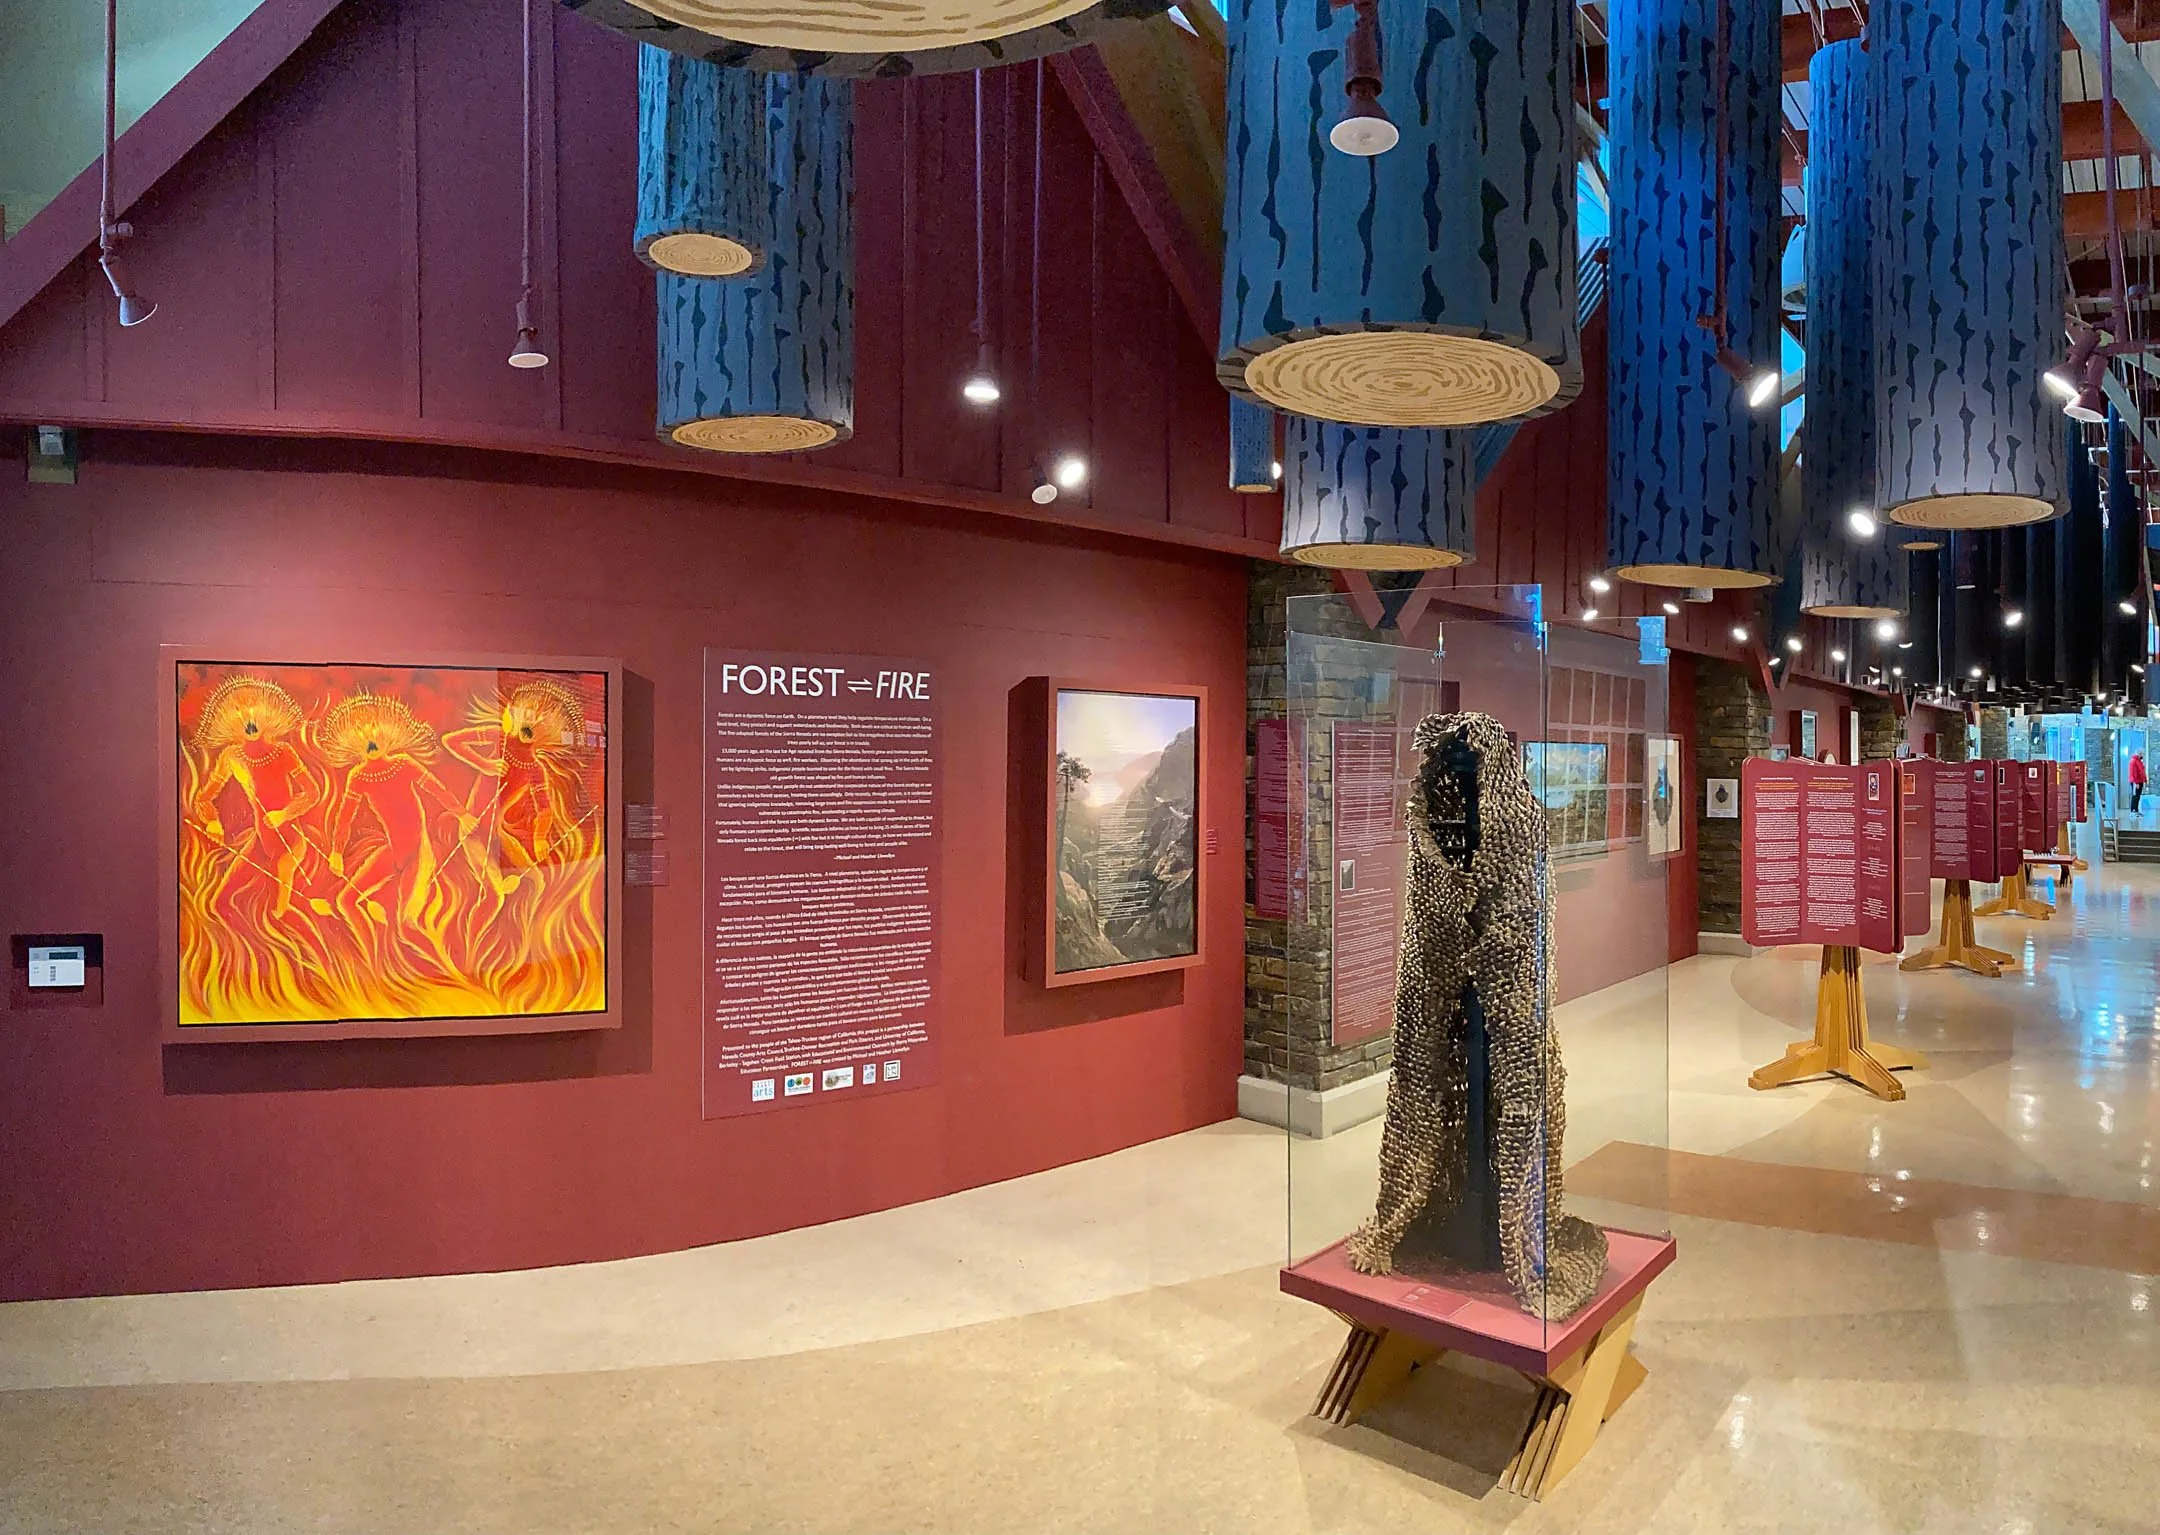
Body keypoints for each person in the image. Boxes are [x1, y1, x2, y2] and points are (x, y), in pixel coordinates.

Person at [2131, 749, 2147, 814]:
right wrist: (2136, 782)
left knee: (2138, 796)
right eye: (2141, 754)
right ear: (2138, 754)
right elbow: (2133, 773)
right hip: (2136, 782)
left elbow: (2142, 772)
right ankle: (2133, 811)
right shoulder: (2133, 761)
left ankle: (2136, 810)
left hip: (2140, 781)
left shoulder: (2140, 762)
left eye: (2142, 754)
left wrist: (2145, 780)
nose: (2142, 755)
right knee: (2135, 796)